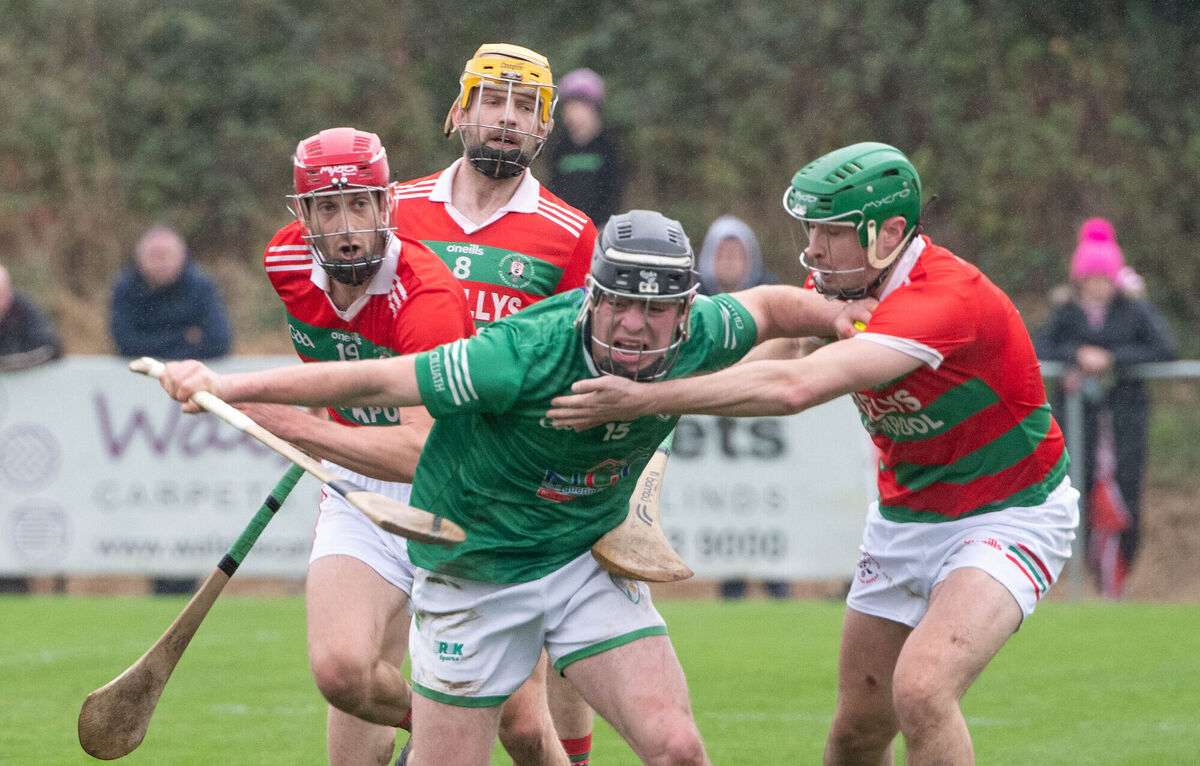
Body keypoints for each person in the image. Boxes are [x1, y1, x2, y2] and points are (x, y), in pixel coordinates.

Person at [154, 209, 870, 766]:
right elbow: (383, 379)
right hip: (475, 572)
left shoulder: (698, 336)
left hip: (580, 560)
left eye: (656, 310)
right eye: (618, 302)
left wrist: (834, 314)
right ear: (591, 296)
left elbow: (774, 308)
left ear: (686, 310)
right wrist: (232, 385)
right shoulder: (518, 355)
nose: (634, 324)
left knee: (678, 748)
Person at [546, 144, 1080, 766]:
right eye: (811, 230)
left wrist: (640, 399)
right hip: (905, 516)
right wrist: (659, 408)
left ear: (890, 234)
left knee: (923, 691)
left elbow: (793, 389)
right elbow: (772, 360)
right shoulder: (836, 288)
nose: (815, 249)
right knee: (856, 734)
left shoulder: (942, 301)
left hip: (1008, 513)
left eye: (832, 232)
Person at [390, 42, 599, 765]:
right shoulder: (398, 210)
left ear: (544, 130)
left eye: (525, 107)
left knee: (519, 717)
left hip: (507, 486)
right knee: (353, 671)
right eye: (493, 101)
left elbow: (581, 359)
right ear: (460, 111)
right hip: (400, 470)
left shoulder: (571, 233)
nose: (507, 119)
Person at [1033, 217, 1176, 598]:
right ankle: (1081, 577)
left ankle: (1118, 578)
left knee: (1125, 492)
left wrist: (1113, 358)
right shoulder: (1066, 313)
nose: (1099, 287)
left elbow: (1165, 348)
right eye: (1092, 278)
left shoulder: (1134, 310)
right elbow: (1038, 346)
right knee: (1077, 490)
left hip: (1124, 419)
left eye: (1105, 279)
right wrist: (1076, 354)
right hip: (1079, 423)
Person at [695, 215, 787, 599]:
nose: (730, 263)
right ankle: (730, 587)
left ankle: (778, 587)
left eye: (738, 254)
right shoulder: (690, 303)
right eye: (723, 254)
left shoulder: (778, 303)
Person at [109, 225, 232, 360]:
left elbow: (219, 342)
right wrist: (185, 337)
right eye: (153, 255)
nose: (160, 262)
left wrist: (151, 341)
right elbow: (125, 344)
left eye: (166, 255)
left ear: (182, 256)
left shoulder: (201, 285)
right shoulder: (125, 287)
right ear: (139, 259)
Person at [542, 67, 624, 229]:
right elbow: (554, 186)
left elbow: (614, 191)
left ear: (593, 108)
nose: (572, 112)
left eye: (578, 106)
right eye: (569, 107)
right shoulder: (560, 146)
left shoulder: (608, 145)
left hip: (599, 226)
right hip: (565, 224)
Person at [0, 264, 63, 372]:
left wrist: (8, 364)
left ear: (9, 293)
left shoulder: (25, 311)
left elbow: (51, 349)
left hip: (29, 382)